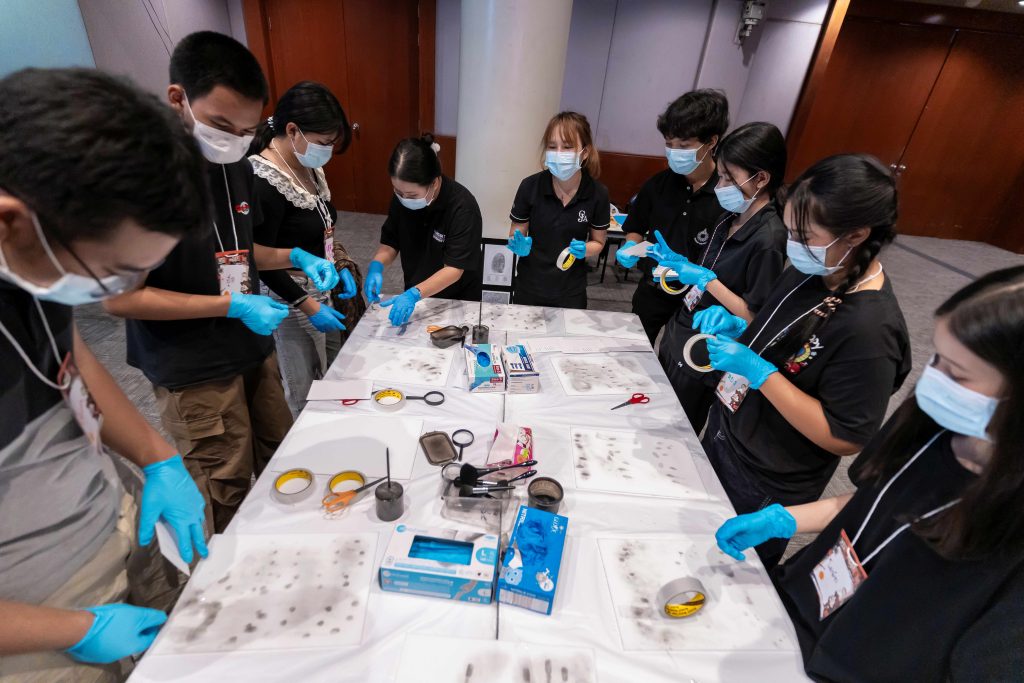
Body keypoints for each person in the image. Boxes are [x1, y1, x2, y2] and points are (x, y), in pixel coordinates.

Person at [0, 67, 209, 681]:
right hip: (38, 625)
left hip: (109, 527)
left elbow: (68, 359)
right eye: (113, 272)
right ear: (11, 222)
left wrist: (155, 455)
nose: (122, 291)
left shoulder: (30, 264)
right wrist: (72, 630)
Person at [715, 267, 1024, 681]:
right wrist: (785, 519)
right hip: (803, 609)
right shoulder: (930, 424)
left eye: (957, 374)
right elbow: (877, 498)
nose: (932, 380)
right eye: (936, 359)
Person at [104, 32, 338, 532]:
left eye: (247, 129)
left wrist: (295, 256)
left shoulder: (235, 163)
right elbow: (121, 298)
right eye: (221, 125)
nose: (234, 139)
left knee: (282, 460)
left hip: (251, 347)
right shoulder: (140, 179)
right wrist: (229, 305)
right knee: (223, 483)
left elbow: (239, 249)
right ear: (178, 99)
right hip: (194, 366)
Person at [697, 154, 911, 569]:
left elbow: (845, 436)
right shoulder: (814, 269)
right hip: (730, 431)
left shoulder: (870, 330)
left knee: (721, 572)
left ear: (856, 235)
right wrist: (744, 329)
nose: (791, 242)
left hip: (766, 474)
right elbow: (783, 331)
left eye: (804, 235)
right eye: (790, 230)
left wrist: (760, 373)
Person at [653, 122, 788, 430]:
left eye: (729, 177)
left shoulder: (768, 239)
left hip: (704, 352)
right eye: (721, 175)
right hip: (680, 332)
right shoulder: (731, 215)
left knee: (674, 432)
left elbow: (755, 316)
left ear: (761, 179)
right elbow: (711, 268)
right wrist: (682, 266)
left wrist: (706, 279)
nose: (720, 185)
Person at [249, 81, 365, 417]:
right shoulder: (264, 181)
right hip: (287, 295)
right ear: (292, 131)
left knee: (331, 374)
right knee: (304, 390)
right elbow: (258, 259)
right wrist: (307, 304)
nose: (326, 151)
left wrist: (338, 264)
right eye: (323, 143)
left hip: (319, 285)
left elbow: (320, 227)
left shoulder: (308, 165)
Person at [616, 90, 729, 344]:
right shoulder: (658, 185)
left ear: (711, 142)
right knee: (635, 349)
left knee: (679, 356)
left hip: (699, 297)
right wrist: (630, 245)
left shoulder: (726, 194)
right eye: (669, 144)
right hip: (653, 288)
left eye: (684, 146)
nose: (674, 152)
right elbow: (636, 225)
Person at [364, 135, 482, 325]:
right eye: (398, 192)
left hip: (455, 299)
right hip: (417, 294)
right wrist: (377, 266)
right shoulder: (402, 199)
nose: (404, 199)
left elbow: (454, 269)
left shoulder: (462, 207)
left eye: (412, 195)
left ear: (434, 183)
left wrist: (414, 294)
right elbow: (390, 242)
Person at [506, 111, 610, 309]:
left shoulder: (598, 193)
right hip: (530, 286)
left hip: (571, 290)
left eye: (568, 147)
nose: (559, 153)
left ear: (585, 152)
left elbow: (598, 242)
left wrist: (585, 249)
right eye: (552, 147)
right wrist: (518, 244)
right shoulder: (530, 186)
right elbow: (516, 231)